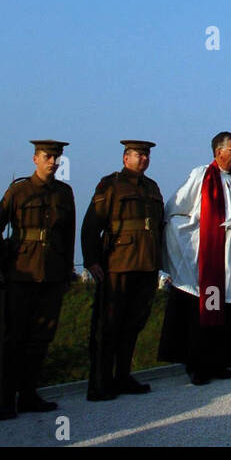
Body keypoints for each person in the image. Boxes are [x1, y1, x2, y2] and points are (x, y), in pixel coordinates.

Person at [0, 140, 75, 420]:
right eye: (47, 156)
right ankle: (3, 400)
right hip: (20, 273)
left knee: (40, 338)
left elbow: (67, 235)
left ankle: (28, 394)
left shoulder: (64, 192)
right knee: (12, 339)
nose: (53, 161)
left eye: (56, 157)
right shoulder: (18, 191)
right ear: (35, 158)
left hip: (51, 274)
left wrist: (66, 270)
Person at [158, 132, 231, 384]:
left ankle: (220, 362)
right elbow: (176, 210)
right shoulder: (201, 176)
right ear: (218, 151)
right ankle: (198, 365)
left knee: (227, 311)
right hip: (210, 255)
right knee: (207, 308)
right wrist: (191, 238)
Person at [80, 139, 164, 401]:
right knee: (108, 326)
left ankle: (123, 375)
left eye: (147, 155)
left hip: (146, 264)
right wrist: (91, 260)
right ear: (125, 157)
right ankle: (100, 382)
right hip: (118, 264)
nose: (144, 159)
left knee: (133, 324)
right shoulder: (111, 184)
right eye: (139, 155)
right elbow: (91, 224)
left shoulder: (152, 187)